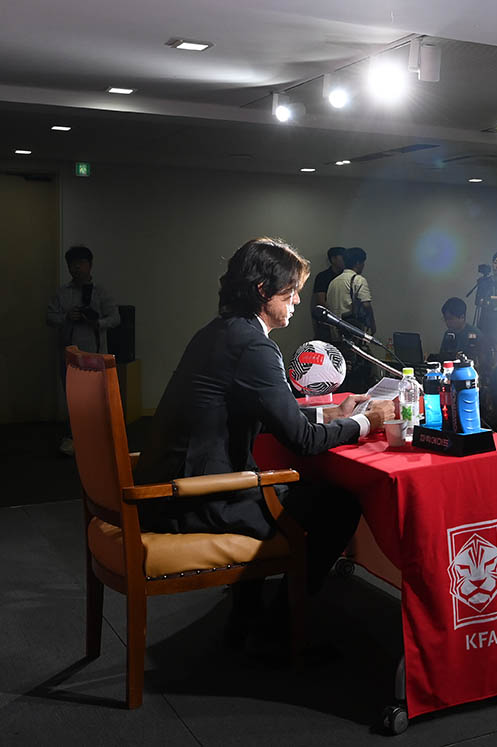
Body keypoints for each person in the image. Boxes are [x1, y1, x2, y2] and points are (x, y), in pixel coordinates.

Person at [134, 238, 395, 645]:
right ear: (262, 291)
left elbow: (276, 417)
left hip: (166, 487)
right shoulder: (255, 345)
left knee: (295, 487)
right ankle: (280, 626)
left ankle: (250, 609)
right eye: (290, 292)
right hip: (194, 499)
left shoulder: (219, 333)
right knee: (339, 502)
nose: (295, 302)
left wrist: (337, 414)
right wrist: (366, 421)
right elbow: (302, 441)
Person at [46, 245, 120, 456]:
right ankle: (72, 436)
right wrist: (67, 317)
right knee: (74, 398)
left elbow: (116, 318)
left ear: (90, 265)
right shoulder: (62, 293)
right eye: (72, 264)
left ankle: (97, 439)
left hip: (96, 355)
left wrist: (97, 322)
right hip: (69, 355)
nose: (76, 268)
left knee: (97, 398)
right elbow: (49, 318)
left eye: (80, 263)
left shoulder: (100, 292)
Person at [324, 246, 375, 392]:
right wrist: (373, 324)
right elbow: (366, 304)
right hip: (352, 334)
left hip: (335, 336)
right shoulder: (357, 280)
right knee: (364, 372)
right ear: (358, 263)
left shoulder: (334, 282)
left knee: (342, 374)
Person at [310, 246, 344, 341]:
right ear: (333, 259)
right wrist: (335, 316)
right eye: (342, 257)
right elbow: (320, 300)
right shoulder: (323, 277)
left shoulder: (346, 277)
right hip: (327, 321)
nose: (345, 261)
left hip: (343, 322)